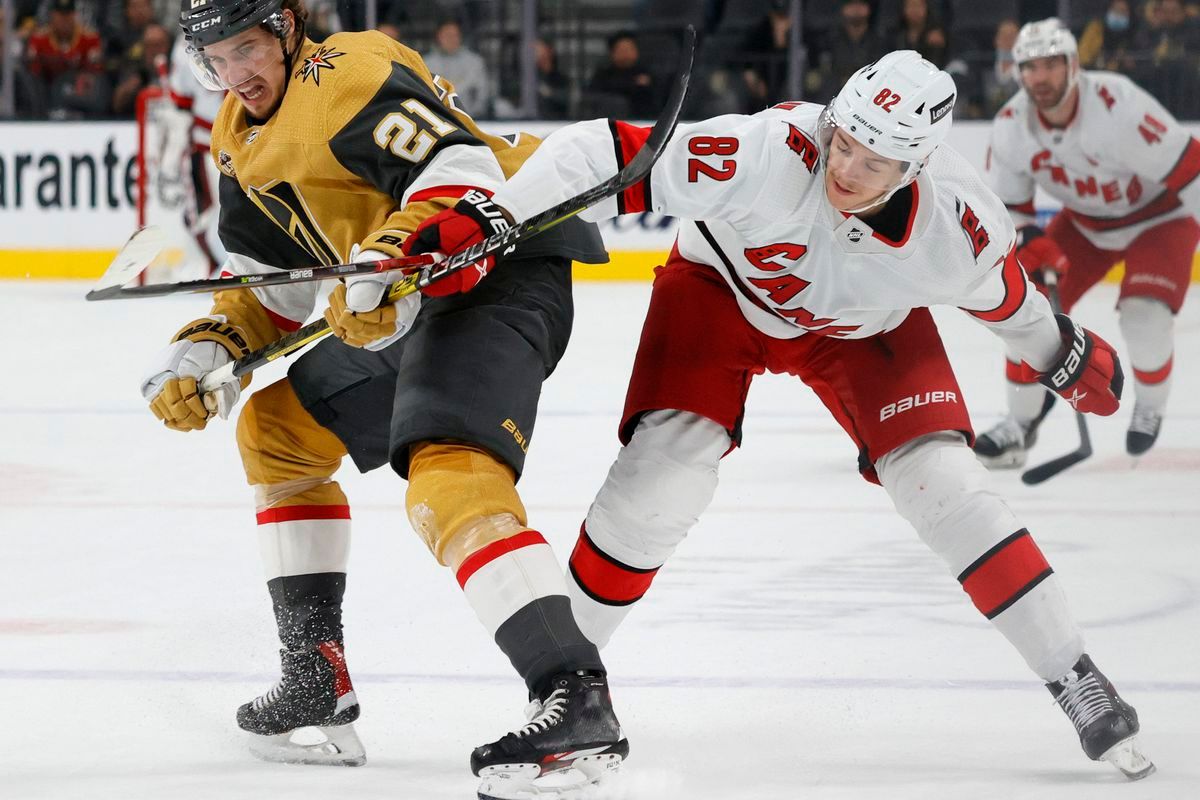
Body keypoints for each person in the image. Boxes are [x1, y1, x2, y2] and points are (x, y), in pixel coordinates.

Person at [416, 49, 1155, 781]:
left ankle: (1076, 676)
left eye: (873, 163)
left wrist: (1061, 350)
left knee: (947, 487)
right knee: (658, 484)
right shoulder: (771, 152)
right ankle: (567, 692)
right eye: (844, 141)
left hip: (864, 330)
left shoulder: (956, 232)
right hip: (719, 290)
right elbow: (603, 151)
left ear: (918, 167)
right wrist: (498, 214)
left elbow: (1011, 303)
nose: (844, 168)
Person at [142, 0, 626, 793]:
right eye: (217, 59)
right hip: (405, 301)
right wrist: (212, 346)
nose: (236, 74)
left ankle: (575, 697)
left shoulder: (351, 72)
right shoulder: (237, 134)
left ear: (289, 29)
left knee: (447, 471)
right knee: (275, 433)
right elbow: (278, 284)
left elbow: (460, 173)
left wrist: (391, 259)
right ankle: (315, 676)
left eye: (248, 49)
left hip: (498, 269)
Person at [977, 18, 1200, 464]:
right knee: (1023, 309)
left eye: (1050, 65)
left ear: (1074, 65)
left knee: (1143, 317)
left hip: (1161, 217)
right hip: (1084, 224)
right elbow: (1007, 209)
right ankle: (1020, 425)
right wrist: (1028, 236)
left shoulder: (1119, 107)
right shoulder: (1011, 125)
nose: (1039, 78)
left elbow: (1191, 170)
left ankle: (1150, 410)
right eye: (1029, 67)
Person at [422, 18, 490, 117]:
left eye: (455, 35)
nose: (451, 39)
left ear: (460, 37)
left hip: (471, 120)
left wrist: (472, 117)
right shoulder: (426, 63)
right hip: (437, 121)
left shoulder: (475, 62)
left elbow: (483, 95)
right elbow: (423, 94)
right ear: (438, 37)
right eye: (447, 35)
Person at [586, 30, 658, 118]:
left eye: (629, 49)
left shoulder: (646, 74)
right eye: (621, 49)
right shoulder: (603, 74)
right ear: (612, 52)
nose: (625, 53)